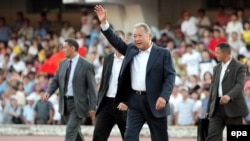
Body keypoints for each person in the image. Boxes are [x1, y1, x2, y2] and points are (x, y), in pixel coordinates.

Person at [94, 5, 176, 141]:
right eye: (134, 36)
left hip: (155, 101)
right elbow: (116, 41)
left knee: (159, 138)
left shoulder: (163, 53)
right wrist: (104, 23)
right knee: (130, 137)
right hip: (135, 102)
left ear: (149, 36)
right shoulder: (131, 50)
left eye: (140, 36)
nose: (136, 39)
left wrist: (164, 96)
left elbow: (170, 77)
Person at [42, 38, 97, 141]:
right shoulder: (62, 64)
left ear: (73, 48)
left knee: (70, 131)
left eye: (65, 47)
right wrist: (48, 92)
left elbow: (92, 87)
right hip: (65, 103)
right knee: (75, 133)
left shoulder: (86, 65)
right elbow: (55, 81)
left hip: (78, 104)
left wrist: (93, 106)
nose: (63, 50)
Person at [206, 43, 249, 141]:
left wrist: (229, 96)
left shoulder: (240, 66)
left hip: (234, 107)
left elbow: (240, 85)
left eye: (217, 53)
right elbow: (213, 89)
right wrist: (209, 108)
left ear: (225, 53)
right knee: (212, 137)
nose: (215, 55)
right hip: (217, 108)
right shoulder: (216, 68)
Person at [93, 30, 128, 141]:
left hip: (123, 104)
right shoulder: (107, 58)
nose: (117, 42)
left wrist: (127, 102)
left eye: (119, 39)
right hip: (106, 103)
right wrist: (99, 102)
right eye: (114, 39)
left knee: (129, 136)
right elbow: (104, 82)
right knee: (98, 135)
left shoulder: (131, 59)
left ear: (125, 41)